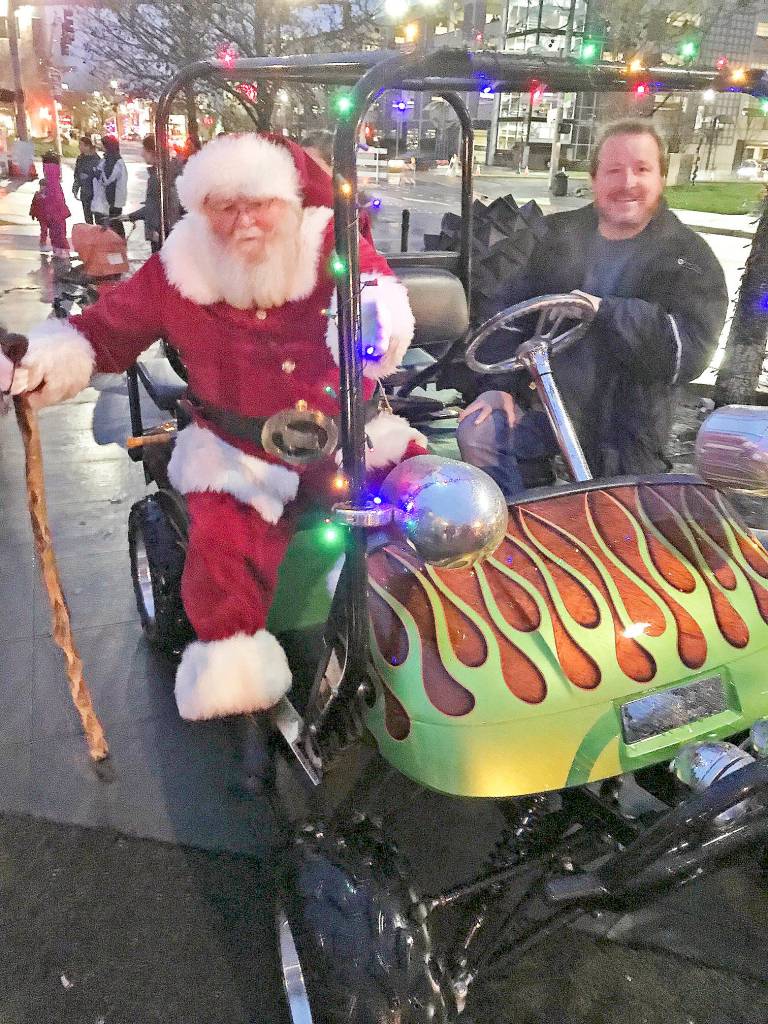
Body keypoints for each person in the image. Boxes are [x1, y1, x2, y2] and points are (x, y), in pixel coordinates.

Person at [0, 132, 425, 722]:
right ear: (203, 209)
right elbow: (104, 331)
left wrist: (375, 323)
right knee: (221, 556)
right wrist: (32, 363)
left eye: (260, 204)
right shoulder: (181, 264)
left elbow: (370, 283)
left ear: (290, 200)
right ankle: (239, 681)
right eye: (226, 208)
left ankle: (428, 634)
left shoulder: (325, 238)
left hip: (350, 437)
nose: (244, 222)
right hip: (239, 449)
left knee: (435, 504)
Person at [457, 119, 729, 498]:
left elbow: (687, 353)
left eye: (641, 169)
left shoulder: (687, 258)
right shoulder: (551, 236)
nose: (627, 182)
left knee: (610, 532)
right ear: (595, 178)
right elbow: (505, 312)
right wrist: (498, 388)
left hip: (624, 433)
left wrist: (603, 311)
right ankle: (509, 535)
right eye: (614, 170)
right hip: (543, 415)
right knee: (479, 428)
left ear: (662, 177)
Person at [123, 134, 161, 253]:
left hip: (158, 234)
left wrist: (156, 230)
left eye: (144, 150)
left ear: (151, 152)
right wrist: (131, 216)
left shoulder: (158, 177)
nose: (142, 154)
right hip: (158, 233)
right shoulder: (158, 174)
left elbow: (155, 206)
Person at [92, 135, 128, 237]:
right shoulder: (107, 159)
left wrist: (98, 173)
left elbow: (107, 179)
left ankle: (119, 241)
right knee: (113, 221)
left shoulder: (115, 161)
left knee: (114, 221)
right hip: (110, 197)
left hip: (114, 197)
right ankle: (117, 241)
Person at [39, 151, 71, 258]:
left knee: (56, 231)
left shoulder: (49, 180)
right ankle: (61, 250)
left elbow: (52, 197)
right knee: (59, 230)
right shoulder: (54, 181)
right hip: (57, 210)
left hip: (53, 211)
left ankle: (60, 250)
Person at [72, 136, 100, 224]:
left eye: (81, 145)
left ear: (87, 146)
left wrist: (88, 176)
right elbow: (77, 174)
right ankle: (91, 236)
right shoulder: (80, 159)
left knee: (98, 219)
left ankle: (98, 236)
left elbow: (100, 176)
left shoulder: (96, 159)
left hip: (95, 193)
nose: (79, 147)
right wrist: (75, 188)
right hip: (85, 193)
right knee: (88, 218)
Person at [29, 178, 49, 251]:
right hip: (42, 216)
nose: (42, 187)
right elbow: (33, 204)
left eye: (44, 186)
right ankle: (43, 242)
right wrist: (32, 213)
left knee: (49, 230)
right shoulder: (37, 194)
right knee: (44, 229)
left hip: (48, 215)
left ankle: (45, 241)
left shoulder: (49, 195)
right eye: (41, 186)